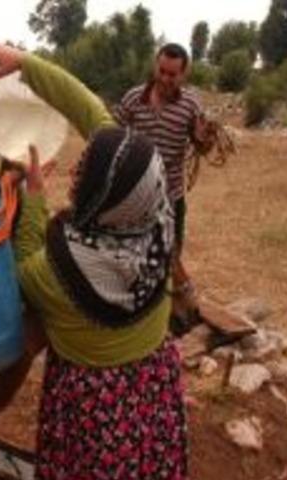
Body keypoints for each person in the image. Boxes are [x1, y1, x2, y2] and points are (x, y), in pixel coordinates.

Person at [0, 45, 188, 479]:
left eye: (84, 175)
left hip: (94, 409)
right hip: (153, 380)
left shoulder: (59, 272)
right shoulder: (155, 207)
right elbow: (94, 114)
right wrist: (27, 65)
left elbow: (25, 264)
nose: (74, 173)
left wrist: (33, 200)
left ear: (99, 200)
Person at [113, 43, 207, 333]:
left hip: (171, 198)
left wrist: (205, 139)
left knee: (170, 255)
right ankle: (140, 317)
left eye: (172, 74)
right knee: (134, 258)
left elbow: (202, 147)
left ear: (183, 74)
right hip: (135, 199)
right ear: (156, 66)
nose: (166, 79)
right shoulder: (132, 99)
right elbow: (112, 136)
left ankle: (174, 318)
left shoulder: (191, 106)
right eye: (162, 71)